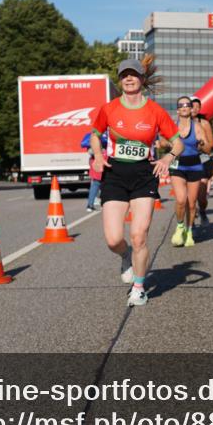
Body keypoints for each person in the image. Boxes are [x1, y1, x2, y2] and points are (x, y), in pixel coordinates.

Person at [90, 57, 182, 307]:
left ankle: (139, 288)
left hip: (144, 175)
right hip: (115, 175)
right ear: (120, 81)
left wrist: (167, 159)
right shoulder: (109, 109)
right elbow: (95, 135)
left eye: (133, 75)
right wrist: (98, 155)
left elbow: (177, 142)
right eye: (124, 75)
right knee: (113, 239)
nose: (128, 79)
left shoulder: (155, 111)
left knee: (139, 235)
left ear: (142, 79)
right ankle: (125, 255)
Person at [169, 96, 213, 247]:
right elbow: (161, 141)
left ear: (191, 108)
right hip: (178, 165)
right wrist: (167, 143)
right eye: (181, 105)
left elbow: (208, 148)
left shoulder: (198, 126)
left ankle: (189, 231)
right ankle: (180, 226)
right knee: (181, 200)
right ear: (178, 109)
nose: (184, 107)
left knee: (192, 203)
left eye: (187, 105)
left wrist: (201, 143)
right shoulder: (172, 125)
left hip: (195, 165)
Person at [190, 99, 213, 222]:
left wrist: (200, 145)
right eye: (192, 106)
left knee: (201, 195)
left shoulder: (204, 123)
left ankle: (203, 210)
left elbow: (211, 145)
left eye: (197, 107)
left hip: (203, 158)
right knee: (189, 195)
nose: (194, 109)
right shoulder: (180, 123)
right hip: (186, 159)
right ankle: (190, 221)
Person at [81, 131, 105, 211]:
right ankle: (103, 204)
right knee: (103, 184)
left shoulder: (91, 138)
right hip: (101, 161)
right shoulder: (103, 138)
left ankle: (90, 205)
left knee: (95, 184)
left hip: (93, 162)